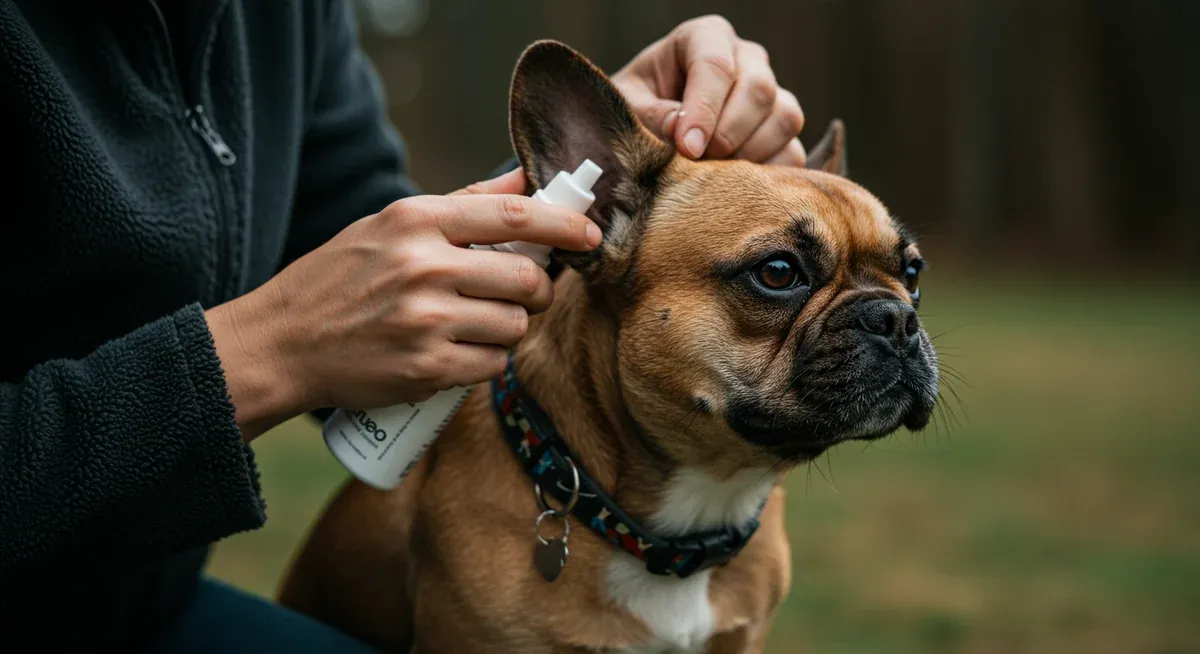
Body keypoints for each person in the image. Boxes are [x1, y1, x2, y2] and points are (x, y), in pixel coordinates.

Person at [0, 1, 808, 651]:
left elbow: (362, 240)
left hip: (139, 602)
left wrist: (587, 181)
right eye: (778, 275)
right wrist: (269, 351)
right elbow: (332, 304)